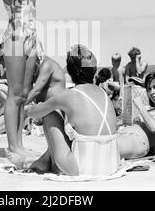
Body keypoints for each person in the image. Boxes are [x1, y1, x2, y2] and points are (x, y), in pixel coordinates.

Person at [26, 45, 119, 176]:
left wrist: (25, 106)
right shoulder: (103, 93)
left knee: (49, 114)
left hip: (82, 169)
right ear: (94, 71)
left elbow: (33, 113)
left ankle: (49, 162)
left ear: (69, 72)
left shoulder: (69, 95)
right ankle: (45, 160)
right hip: (111, 164)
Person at [0, 0, 44, 163]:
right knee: (14, 94)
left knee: (24, 94)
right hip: (15, 36)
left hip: (30, 36)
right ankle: (12, 146)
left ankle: (20, 144)